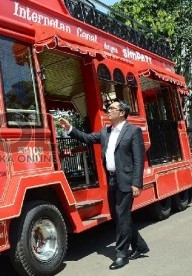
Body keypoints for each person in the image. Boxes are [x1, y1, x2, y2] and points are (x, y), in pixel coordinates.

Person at [59, 100, 149, 270]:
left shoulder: (133, 131)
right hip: (112, 179)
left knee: (122, 217)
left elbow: (139, 159)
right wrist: (70, 128)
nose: (108, 110)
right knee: (118, 217)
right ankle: (140, 246)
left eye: (112, 108)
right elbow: (87, 138)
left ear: (122, 112)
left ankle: (122, 254)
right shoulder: (105, 132)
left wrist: (137, 183)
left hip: (127, 181)